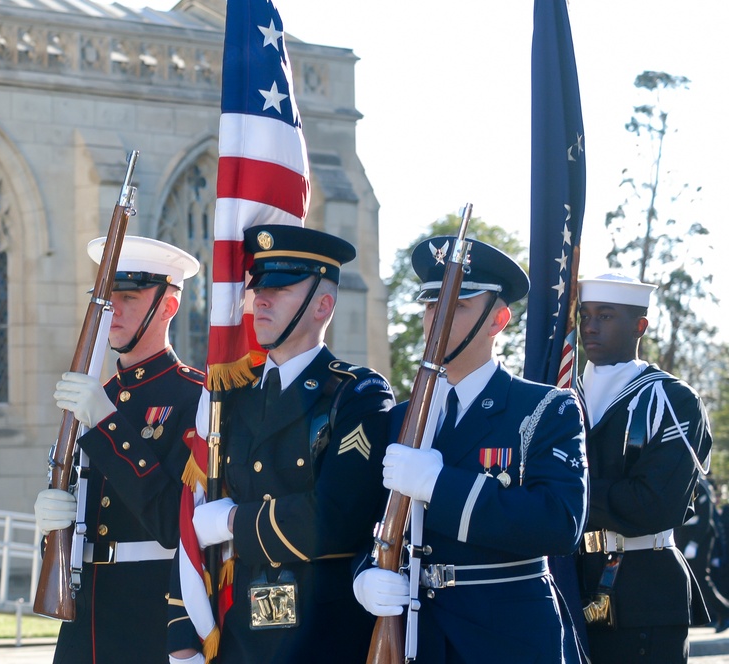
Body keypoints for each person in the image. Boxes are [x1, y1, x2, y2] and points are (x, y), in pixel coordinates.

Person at [353, 236, 589, 663]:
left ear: (498, 320)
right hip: (419, 638)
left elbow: (558, 522)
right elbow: (370, 521)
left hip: (508, 639)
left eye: (457, 306)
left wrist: (438, 485)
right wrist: (364, 574)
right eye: (430, 305)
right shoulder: (401, 418)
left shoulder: (544, 408)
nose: (435, 319)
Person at [168, 224, 395, 663]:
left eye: (281, 288)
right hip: (241, 636)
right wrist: (182, 634)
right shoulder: (230, 396)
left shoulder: (356, 394)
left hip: (324, 638)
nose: (261, 298)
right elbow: (191, 516)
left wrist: (234, 521)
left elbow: (335, 519)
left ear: (322, 306)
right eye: (258, 287)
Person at [34, 236, 206, 664]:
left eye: (128, 296)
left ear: (168, 306)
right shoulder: (95, 396)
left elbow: (172, 520)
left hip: (150, 616)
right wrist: (51, 523)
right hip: (85, 616)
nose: (114, 309)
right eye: (108, 297)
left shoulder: (197, 397)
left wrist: (107, 423)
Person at [575, 272, 713, 663]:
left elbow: (653, 505)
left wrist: (565, 492)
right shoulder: (562, 394)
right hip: (573, 582)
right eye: (585, 316)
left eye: (606, 315)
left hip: (646, 588)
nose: (591, 326)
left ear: (640, 326)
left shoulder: (670, 399)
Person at [675, 477, 729, 631]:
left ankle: (725, 612)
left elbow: (706, 518)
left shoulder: (701, 486)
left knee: (701, 579)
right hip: (684, 538)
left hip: (700, 538)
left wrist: (694, 543)